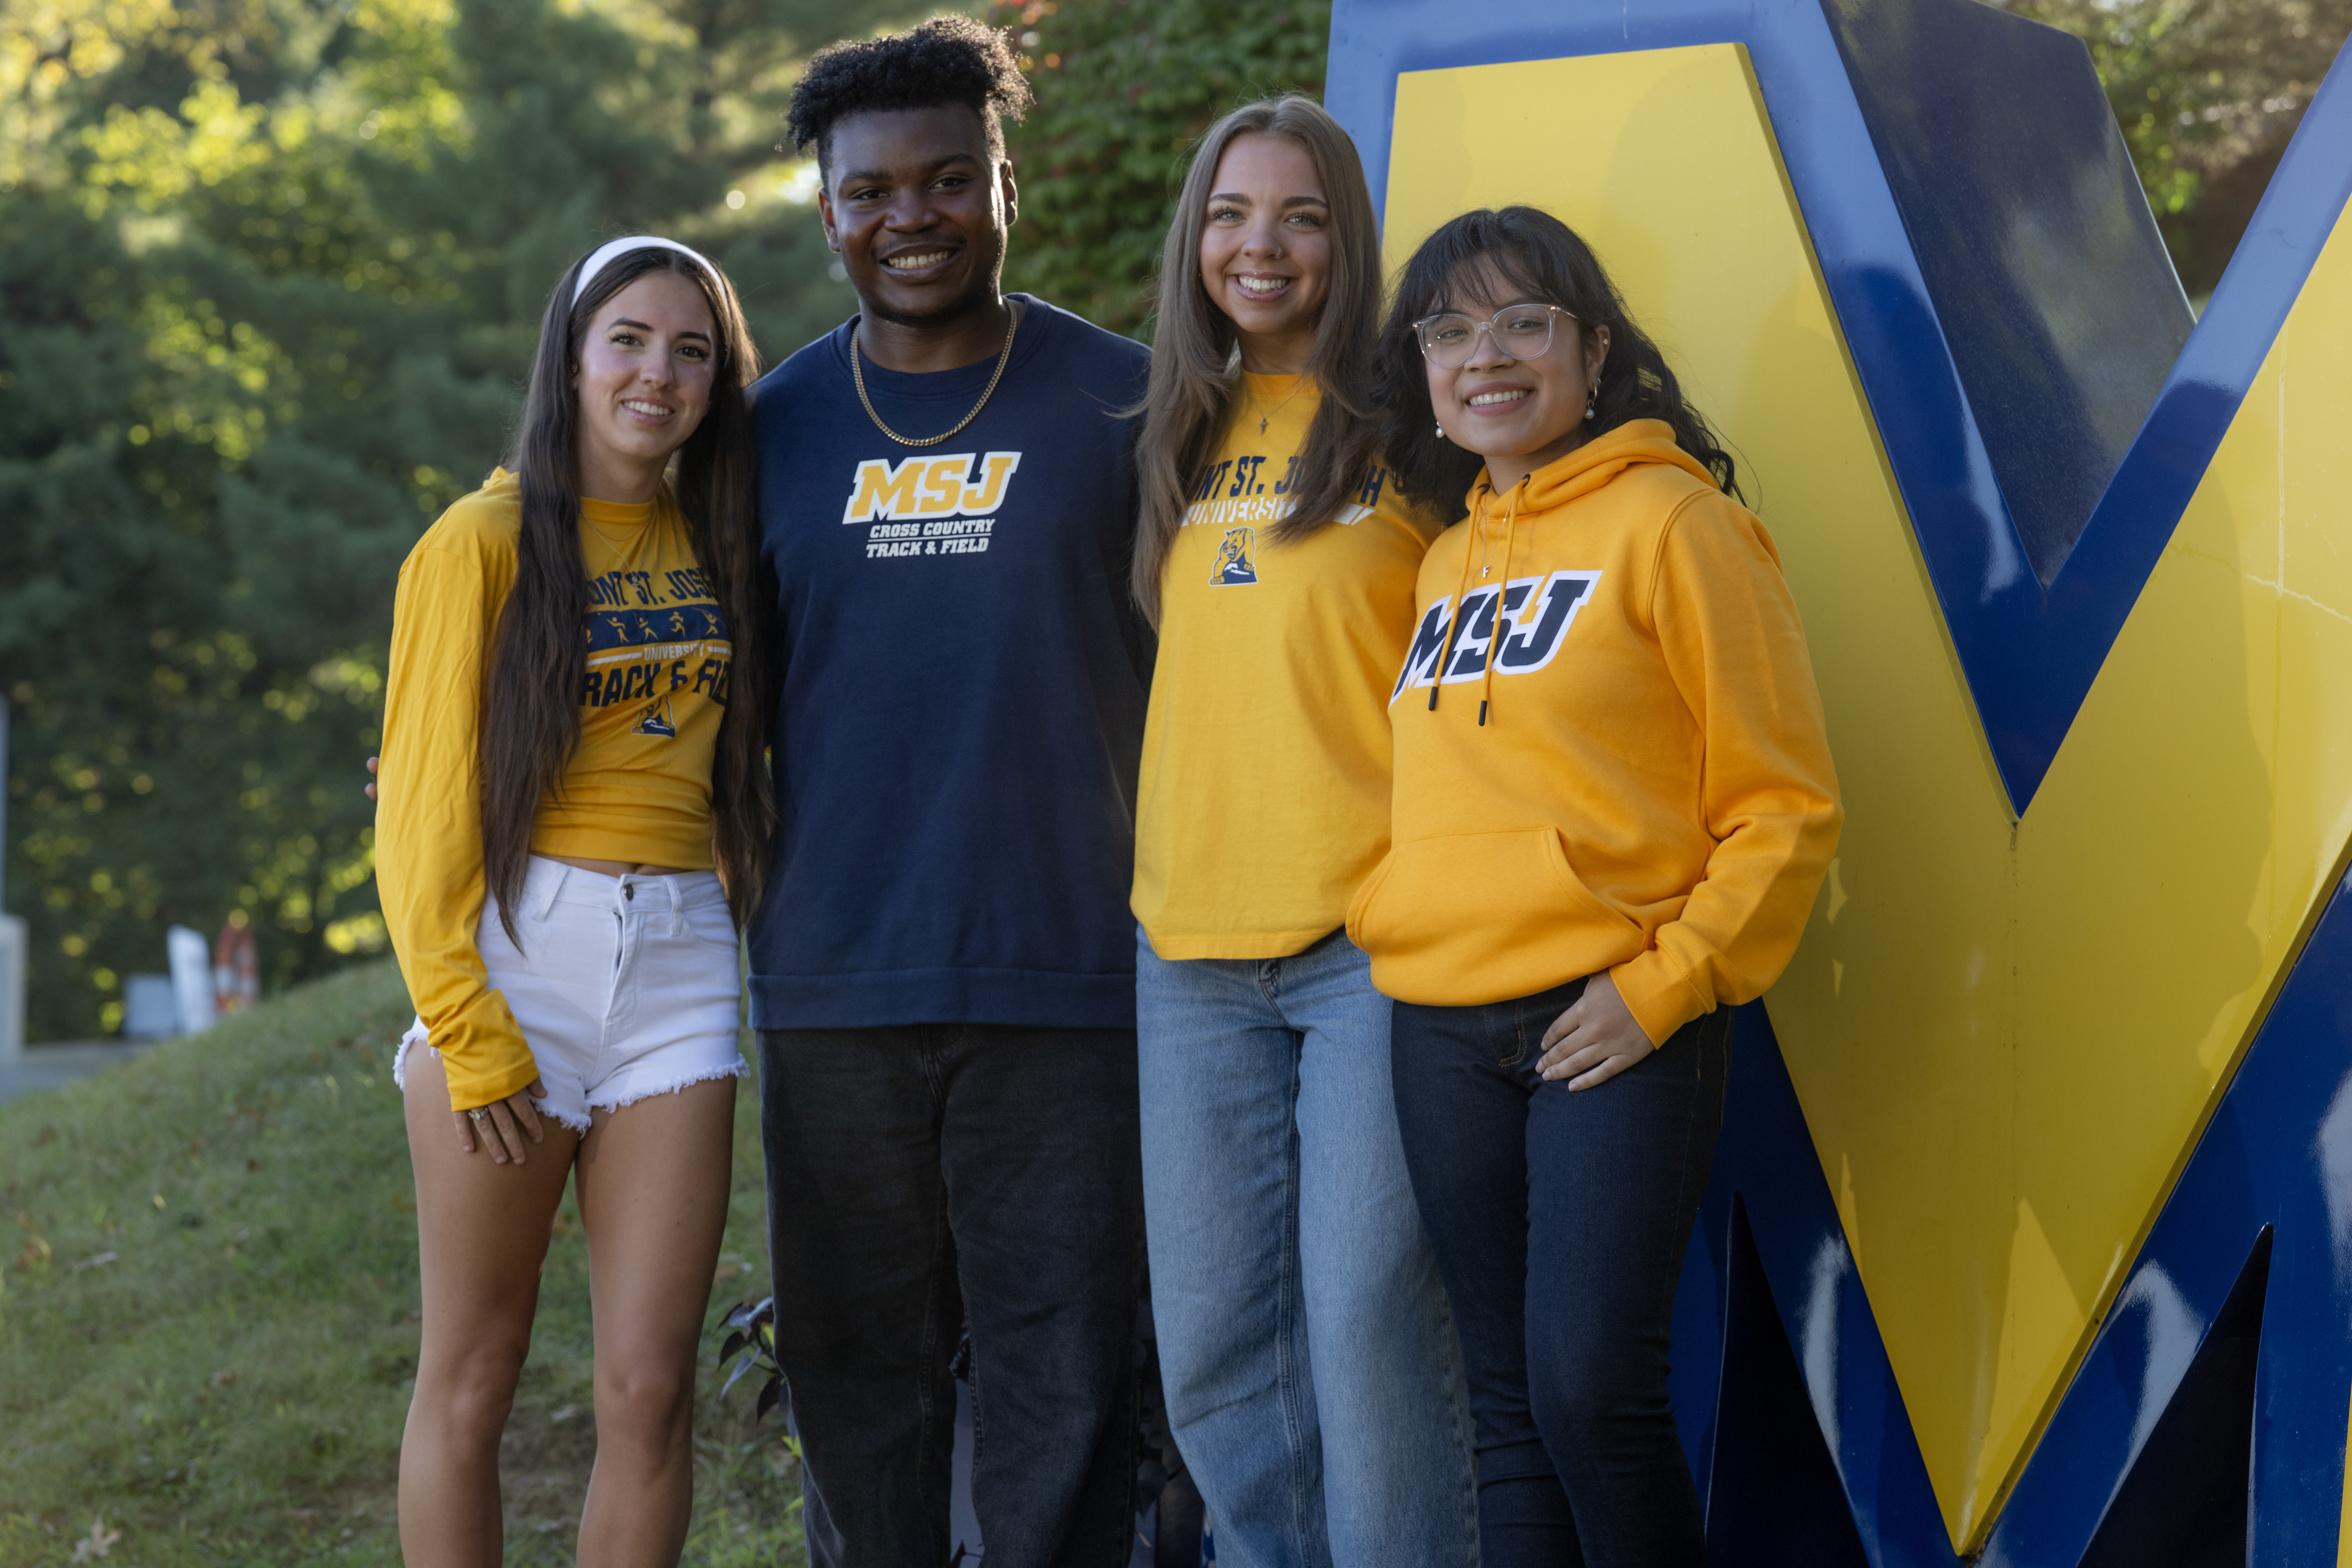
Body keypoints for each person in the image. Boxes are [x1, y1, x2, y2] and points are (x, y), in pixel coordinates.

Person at [1351, 207, 1842, 1566]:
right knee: (1506, 1408)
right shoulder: (1445, 557)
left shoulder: (1681, 525)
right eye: (1449, 331)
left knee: (1589, 1391)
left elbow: (1786, 805)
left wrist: (1661, 989)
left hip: (1610, 1017)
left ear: (1595, 349)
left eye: (1524, 323)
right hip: (1437, 1021)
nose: (1485, 356)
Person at [745, 19, 1152, 1565]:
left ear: (1004, 186)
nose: (909, 217)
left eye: (946, 180)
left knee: (1065, 1374)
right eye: (870, 191)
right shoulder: (770, 428)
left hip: (1067, 977)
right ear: (828, 212)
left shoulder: (1124, 403)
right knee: (857, 1377)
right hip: (834, 979)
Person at [374, 237, 771, 1565]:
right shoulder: (478, 543)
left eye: (693, 349)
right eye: (631, 340)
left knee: (650, 1393)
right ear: (573, 355)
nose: (659, 372)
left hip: (681, 964)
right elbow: (418, 810)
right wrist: (469, 1023)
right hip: (518, 962)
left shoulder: (718, 535)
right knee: (473, 1378)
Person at [1126, 97, 1477, 1566]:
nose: (1259, 246)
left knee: (1370, 1323)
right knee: (1214, 1341)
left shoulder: (1415, 430)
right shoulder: (1169, 429)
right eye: (1230, 213)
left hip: (1369, 944)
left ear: (1347, 236)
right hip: (1185, 947)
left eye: (1300, 216)